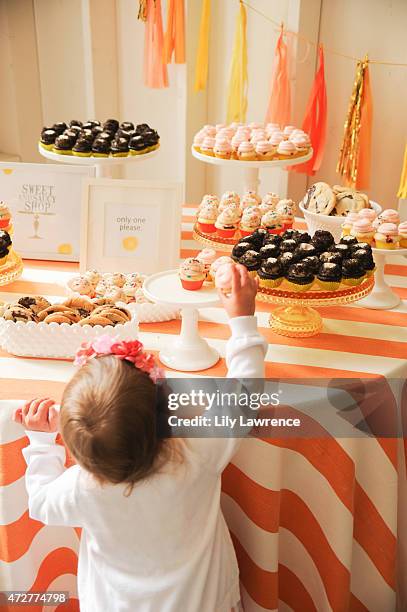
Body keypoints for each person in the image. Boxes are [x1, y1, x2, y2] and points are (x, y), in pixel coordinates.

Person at [13, 264, 267, 612]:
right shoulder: (199, 451)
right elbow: (245, 389)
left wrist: (41, 442)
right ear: (166, 409)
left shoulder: (80, 488)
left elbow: (40, 503)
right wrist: (242, 319)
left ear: (73, 449)